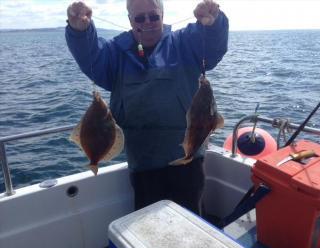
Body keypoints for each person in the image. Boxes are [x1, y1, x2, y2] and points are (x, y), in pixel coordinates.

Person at [65, 0, 228, 215]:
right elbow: (91, 57)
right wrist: (80, 31)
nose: (147, 22)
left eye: (154, 16)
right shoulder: (116, 53)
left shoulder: (184, 43)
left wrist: (213, 23)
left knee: (191, 219)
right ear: (130, 20)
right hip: (142, 162)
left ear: (163, 15)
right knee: (149, 225)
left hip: (188, 160)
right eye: (139, 18)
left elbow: (213, 46)